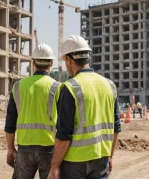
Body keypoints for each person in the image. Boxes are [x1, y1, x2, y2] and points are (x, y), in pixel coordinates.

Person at [47, 35, 121, 179]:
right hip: (101, 159)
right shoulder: (110, 85)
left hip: (74, 164)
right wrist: (110, 156)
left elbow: (63, 135)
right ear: (88, 58)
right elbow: (116, 128)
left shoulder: (69, 88)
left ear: (69, 60)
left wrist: (54, 166)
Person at [4, 43, 61, 179]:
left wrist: (11, 148)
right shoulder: (58, 87)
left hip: (24, 149)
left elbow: (10, 122)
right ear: (51, 63)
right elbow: (65, 124)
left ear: (33, 63)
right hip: (49, 148)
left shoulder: (18, 86)